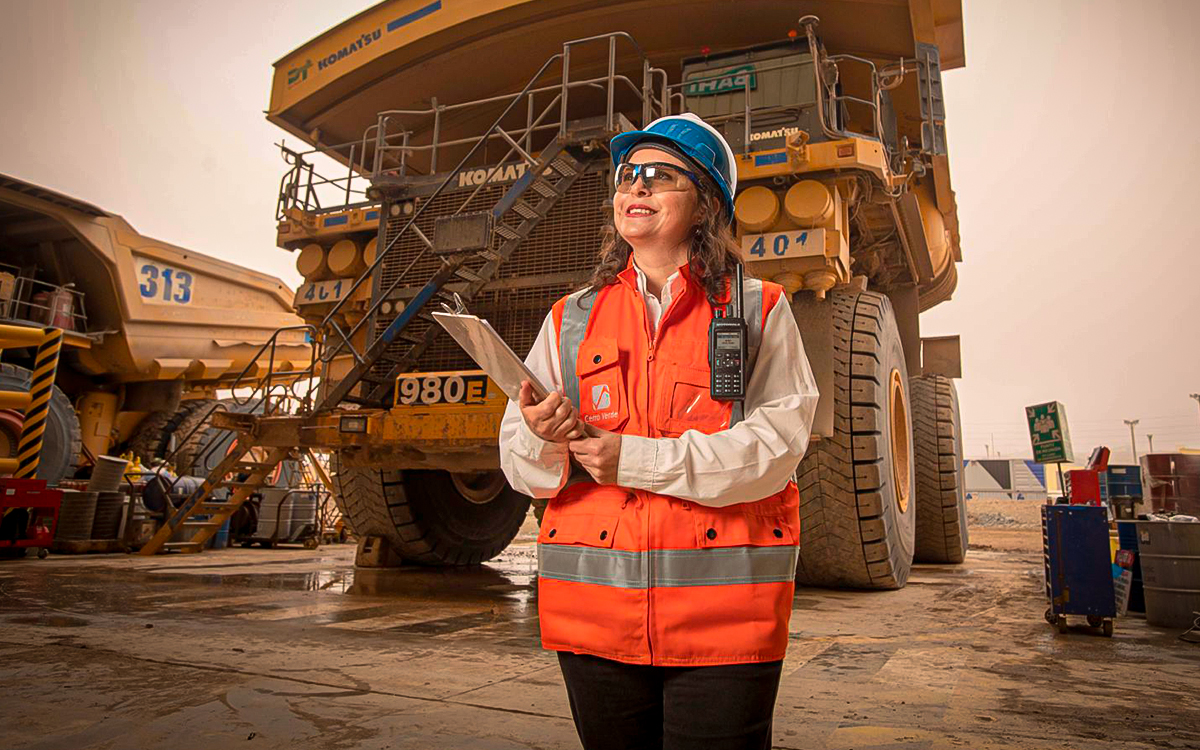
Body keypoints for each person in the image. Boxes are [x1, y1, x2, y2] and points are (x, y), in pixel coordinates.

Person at [499, 113, 820, 749]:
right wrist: (540, 434)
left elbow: (777, 449)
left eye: (660, 176)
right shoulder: (570, 319)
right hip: (593, 621)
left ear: (704, 203)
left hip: (727, 625)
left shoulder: (759, 309)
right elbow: (519, 464)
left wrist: (635, 460)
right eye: (627, 176)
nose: (635, 188)